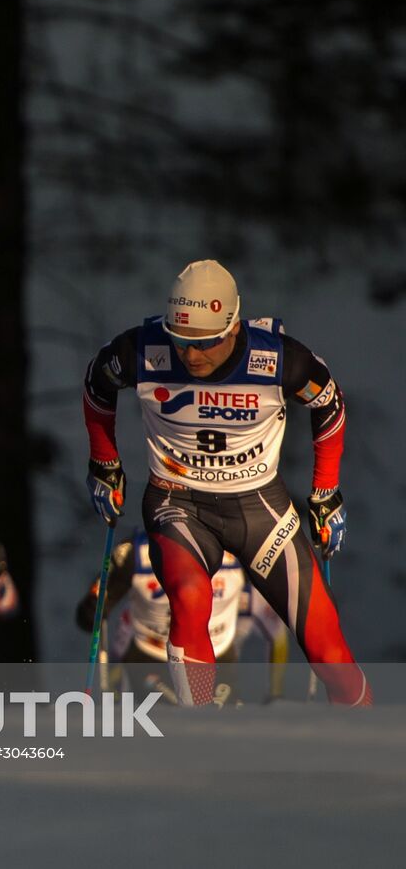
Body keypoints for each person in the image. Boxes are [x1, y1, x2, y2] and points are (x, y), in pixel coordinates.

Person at [82, 259, 368, 705]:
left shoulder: (278, 359)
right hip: (178, 502)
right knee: (191, 597)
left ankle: (370, 756)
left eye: (206, 342)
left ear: (233, 326)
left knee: (329, 651)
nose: (192, 355)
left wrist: (325, 491)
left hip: (258, 507)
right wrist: (104, 461)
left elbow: (329, 406)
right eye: (181, 341)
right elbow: (97, 386)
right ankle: (201, 734)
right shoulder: (140, 350)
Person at [74, 529, 288, 703]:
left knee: (219, 734)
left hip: (216, 656)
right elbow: (91, 610)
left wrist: (276, 692)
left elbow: (278, 604)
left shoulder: (237, 550)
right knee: (162, 734)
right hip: (151, 657)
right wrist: (94, 607)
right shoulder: (135, 552)